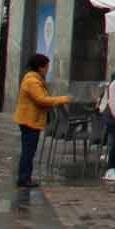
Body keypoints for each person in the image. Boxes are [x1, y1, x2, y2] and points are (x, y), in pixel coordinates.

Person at [13, 54, 70, 189]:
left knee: (29, 150)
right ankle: (24, 178)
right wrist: (63, 99)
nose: (48, 70)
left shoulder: (35, 79)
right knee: (28, 150)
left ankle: (25, 177)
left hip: (31, 119)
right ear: (40, 67)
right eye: (46, 67)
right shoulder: (32, 81)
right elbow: (41, 99)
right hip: (29, 120)